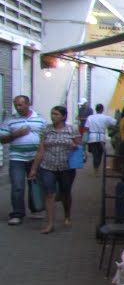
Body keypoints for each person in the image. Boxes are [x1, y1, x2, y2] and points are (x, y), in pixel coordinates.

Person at [28, 105, 82, 234]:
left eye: (56, 114)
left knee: (65, 192)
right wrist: (34, 169)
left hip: (66, 167)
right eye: (52, 114)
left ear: (63, 116)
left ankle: (67, 215)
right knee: (49, 194)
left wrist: (74, 145)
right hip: (48, 166)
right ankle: (50, 224)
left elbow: (79, 146)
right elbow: (41, 150)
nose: (53, 116)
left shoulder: (72, 129)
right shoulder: (46, 129)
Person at [0, 95, 46, 225]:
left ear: (28, 104)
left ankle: (35, 209)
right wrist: (16, 134)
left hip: (34, 157)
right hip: (17, 158)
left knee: (35, 184)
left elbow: (46, 137)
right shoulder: (10, 120)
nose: (18, 108)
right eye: (16, 105)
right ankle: (17, 213)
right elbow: (2, 139)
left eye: (20, 105)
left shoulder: (40, 119)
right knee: (17, 186)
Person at [84, 103, 117, 176]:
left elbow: (86, 128)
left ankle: (96, 168)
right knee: (99, 154)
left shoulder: (90, 117)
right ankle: (96, 168)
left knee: (95, 154)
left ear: (96, 109)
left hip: (92, 137)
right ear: (102, 109)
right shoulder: (106, 117)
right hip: (101, 138)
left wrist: (85, 138)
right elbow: (115, 122)